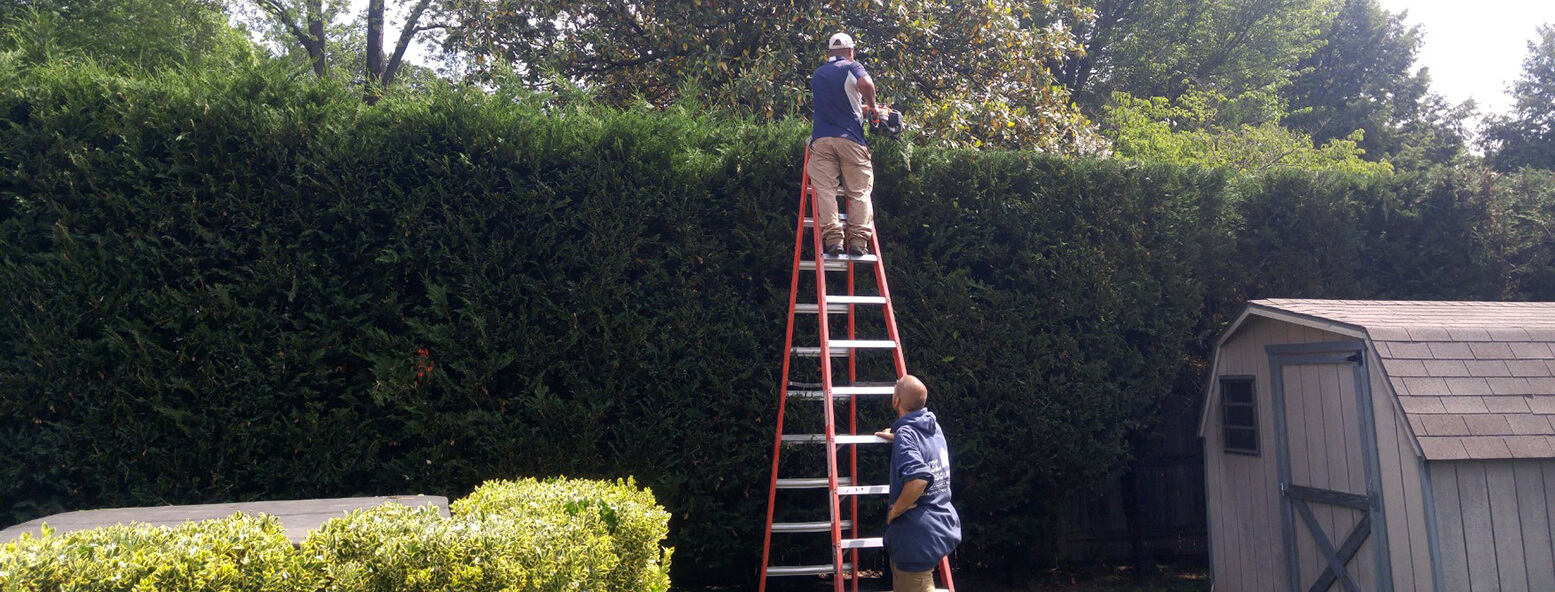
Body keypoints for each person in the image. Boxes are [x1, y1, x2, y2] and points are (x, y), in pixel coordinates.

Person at [874, 375, 961, 592]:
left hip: (915, 535)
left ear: (896, 401)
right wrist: (898, 436)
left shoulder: (907, 434)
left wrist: (896, 510)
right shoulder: (933, 426)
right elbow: (922, 444)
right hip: (940, 523)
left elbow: (918, 479)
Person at [808, 32, 878, 258]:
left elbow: (841, 106)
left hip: (822, 140)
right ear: (851, 52)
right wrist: (873, 107)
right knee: (859, 191)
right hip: (850, 140)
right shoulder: (852, 66)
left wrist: (864, 109)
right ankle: (858, 241)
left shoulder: (818, 74)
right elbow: (865, 83)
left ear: (829, 52)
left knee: (825, 191)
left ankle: (833, 240)